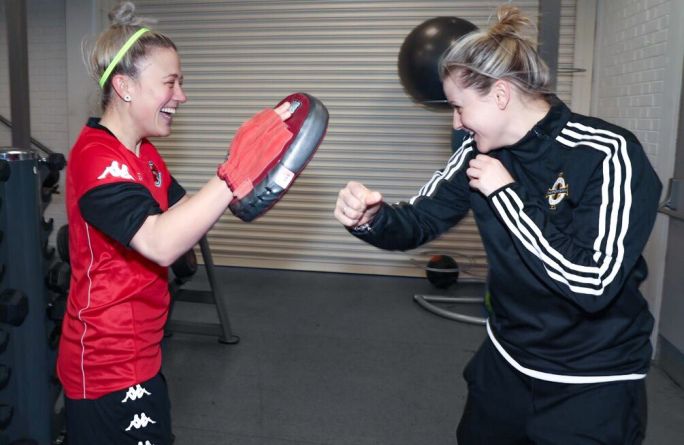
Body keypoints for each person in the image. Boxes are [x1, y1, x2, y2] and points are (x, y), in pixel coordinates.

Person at [334, 5, 662, 444]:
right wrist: (373, 218)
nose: (456, 122)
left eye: (458, 107)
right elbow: (420, 217)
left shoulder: (607, 153)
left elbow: (593, 282)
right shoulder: (476, 152)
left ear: (501, 95)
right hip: (507, 362)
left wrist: (505, 195)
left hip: (590, 382)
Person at [56, 2, 293, 444]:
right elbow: (161, 242)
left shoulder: (143, 154)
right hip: (108, 365)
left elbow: (188, 216)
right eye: (171, 82)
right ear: (125, 87)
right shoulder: (96, 158)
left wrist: (257, 180)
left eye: (181, 82)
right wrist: (234, 171)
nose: (182, 95)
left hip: (140, 353)